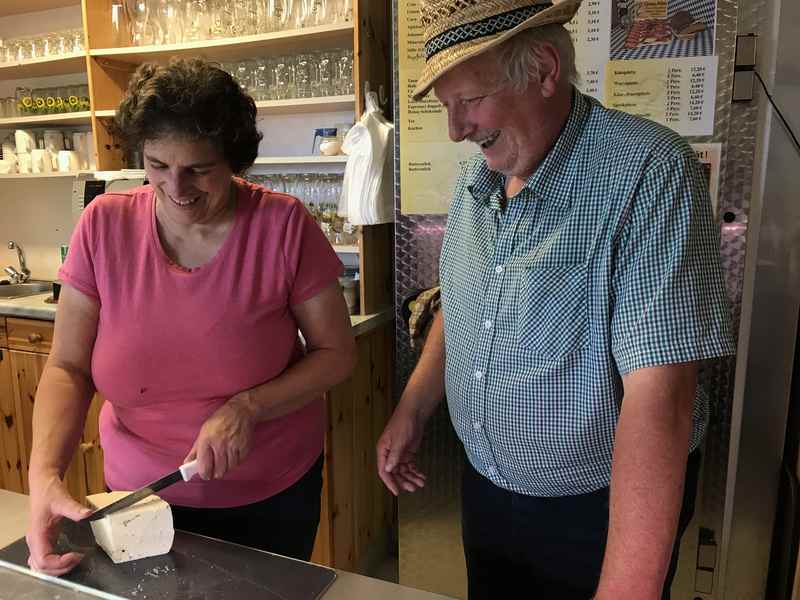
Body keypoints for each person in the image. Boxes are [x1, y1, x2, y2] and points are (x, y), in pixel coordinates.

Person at [377, 1, 735, 599]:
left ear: (543, 68)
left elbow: (662, 400)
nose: (456, 129)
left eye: (468, 101)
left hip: (597, 506)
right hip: (487, 487)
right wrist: (413, 407)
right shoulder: (478, 178)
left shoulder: (648, 172)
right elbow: (464, 304)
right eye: (446, 108)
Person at [26, 58, 356, 575]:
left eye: (198, 169)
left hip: (267, 495)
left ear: (233, 160)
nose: (176, 188)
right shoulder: (103, 225)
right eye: (157, 165)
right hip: (140, 495)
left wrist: (249, 407)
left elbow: (336, 354)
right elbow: (68, 367)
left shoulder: (283, 224)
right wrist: (44, 476)